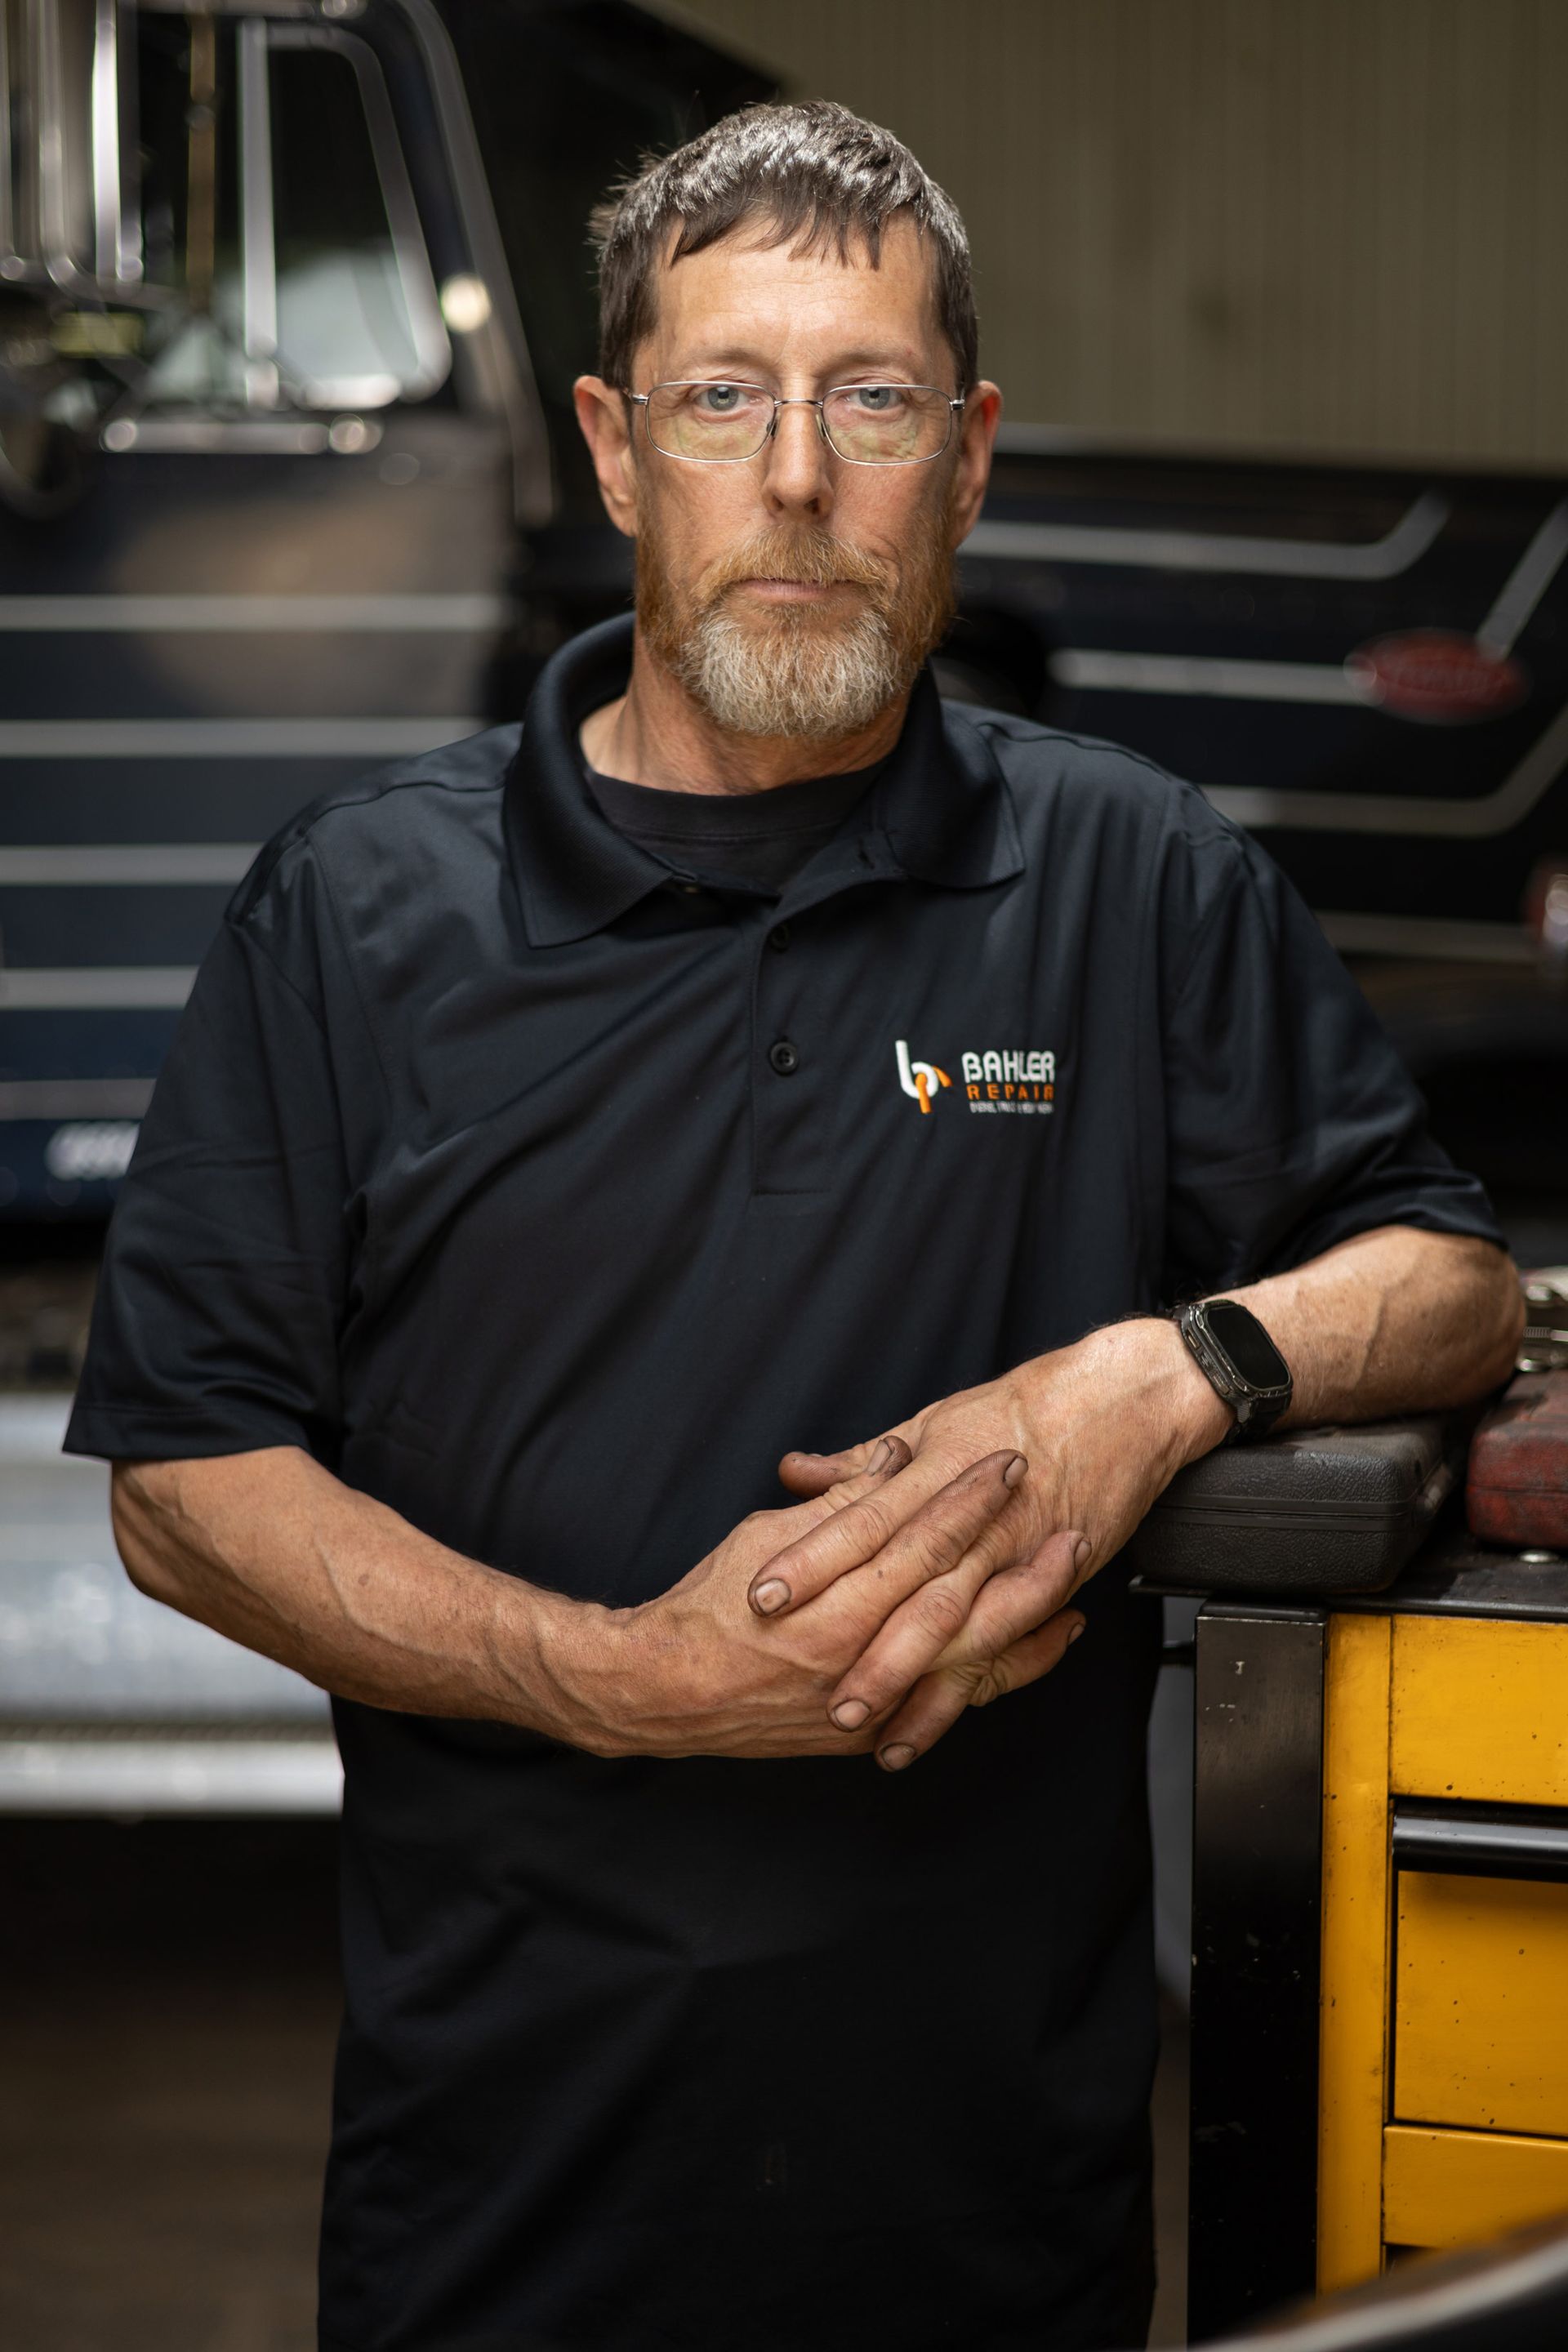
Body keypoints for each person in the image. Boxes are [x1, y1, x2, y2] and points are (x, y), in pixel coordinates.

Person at [67, 101, 1520, 2352]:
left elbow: (1440, 1283)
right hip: (500, 2214)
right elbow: (186, 1484)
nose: (800, 478)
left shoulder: (1134, 882)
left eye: (874, 400)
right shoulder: (359, 911)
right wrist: (639, 1687)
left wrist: (1158, 1371)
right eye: (724, 398)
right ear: (617, 447)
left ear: (971, 455)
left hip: (993, 2218)